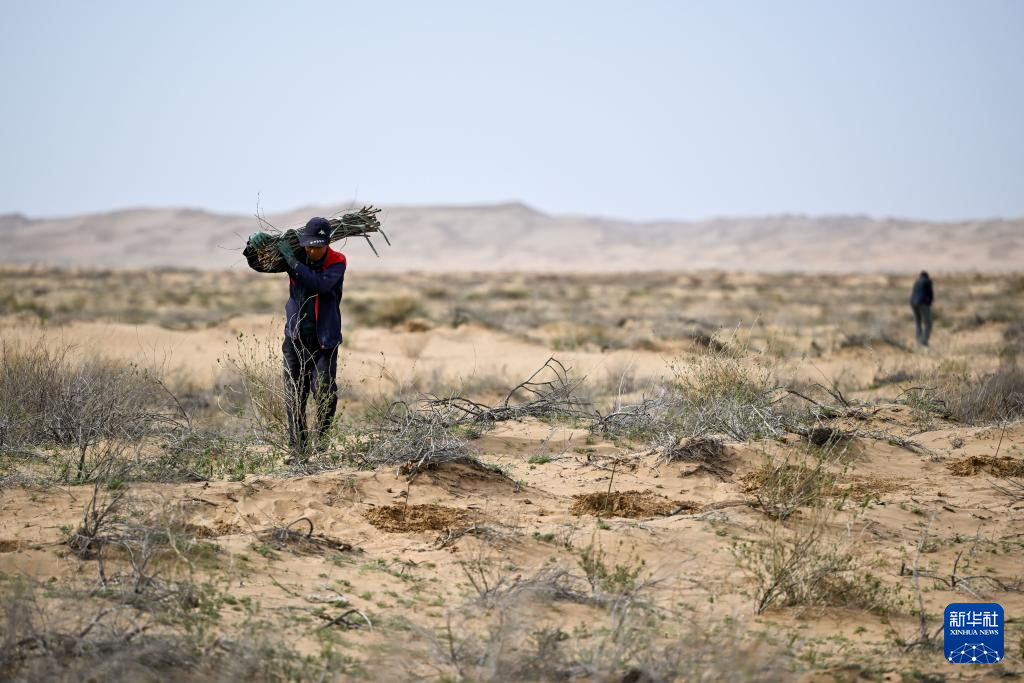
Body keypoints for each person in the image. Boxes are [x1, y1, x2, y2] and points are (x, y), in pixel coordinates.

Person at [244, 217, 346, 459]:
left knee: (325, 393)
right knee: (294, 394)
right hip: (295, 339)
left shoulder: (337, 261)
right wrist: (251, 247)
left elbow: (320, 285)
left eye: (318, 247)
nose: (312, 251)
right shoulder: (298, 255)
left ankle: (321, 447)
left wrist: (291, 261)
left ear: (327, 244)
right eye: (309, 246)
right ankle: (298, 449)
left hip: (324, 341)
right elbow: (262, 265)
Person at [910, 271, 934, 348]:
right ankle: (924, 342)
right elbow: (930, 294)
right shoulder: (927, 281)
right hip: (923, 304)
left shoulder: (917, 282)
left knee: (918, 323)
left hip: (913, 304)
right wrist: (929, 303)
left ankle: (919, 342)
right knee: (928, 324)